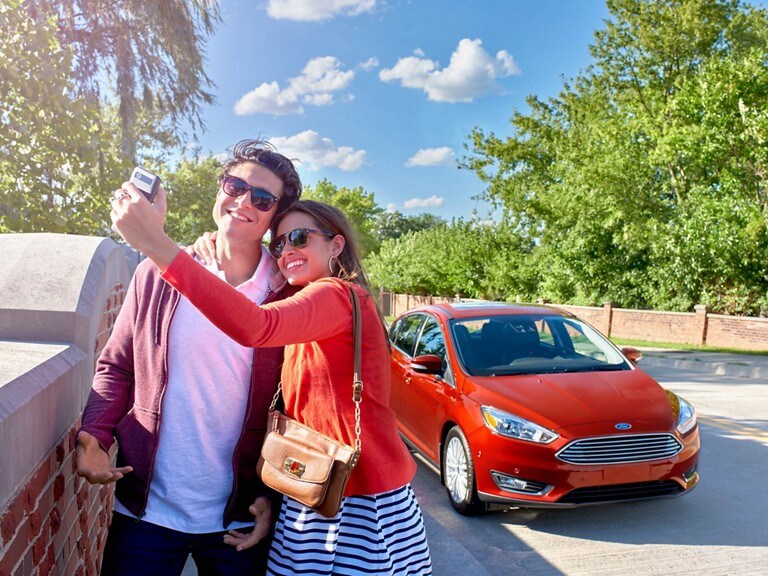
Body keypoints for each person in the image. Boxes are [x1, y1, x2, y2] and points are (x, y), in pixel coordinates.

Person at [109, 189, 433, 575]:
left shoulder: (336, 295)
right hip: (313, 487)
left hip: (356, 498)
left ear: (337, 245)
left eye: (300, 238)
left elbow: (256, 326)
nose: (286, 250)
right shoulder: (308, 302)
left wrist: (160, 247)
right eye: (278, 243)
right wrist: (207, 246)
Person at [76, 139, 303, 576]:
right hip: (147, 511)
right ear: (219, 189)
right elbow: (117, 365)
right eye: (235, 185)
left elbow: (300, 406)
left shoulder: (286, 296)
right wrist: (94, 437)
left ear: (275, 215)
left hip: (239, 515)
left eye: (261, 198)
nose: (243, 202)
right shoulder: (157, 274)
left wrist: (274, 499)